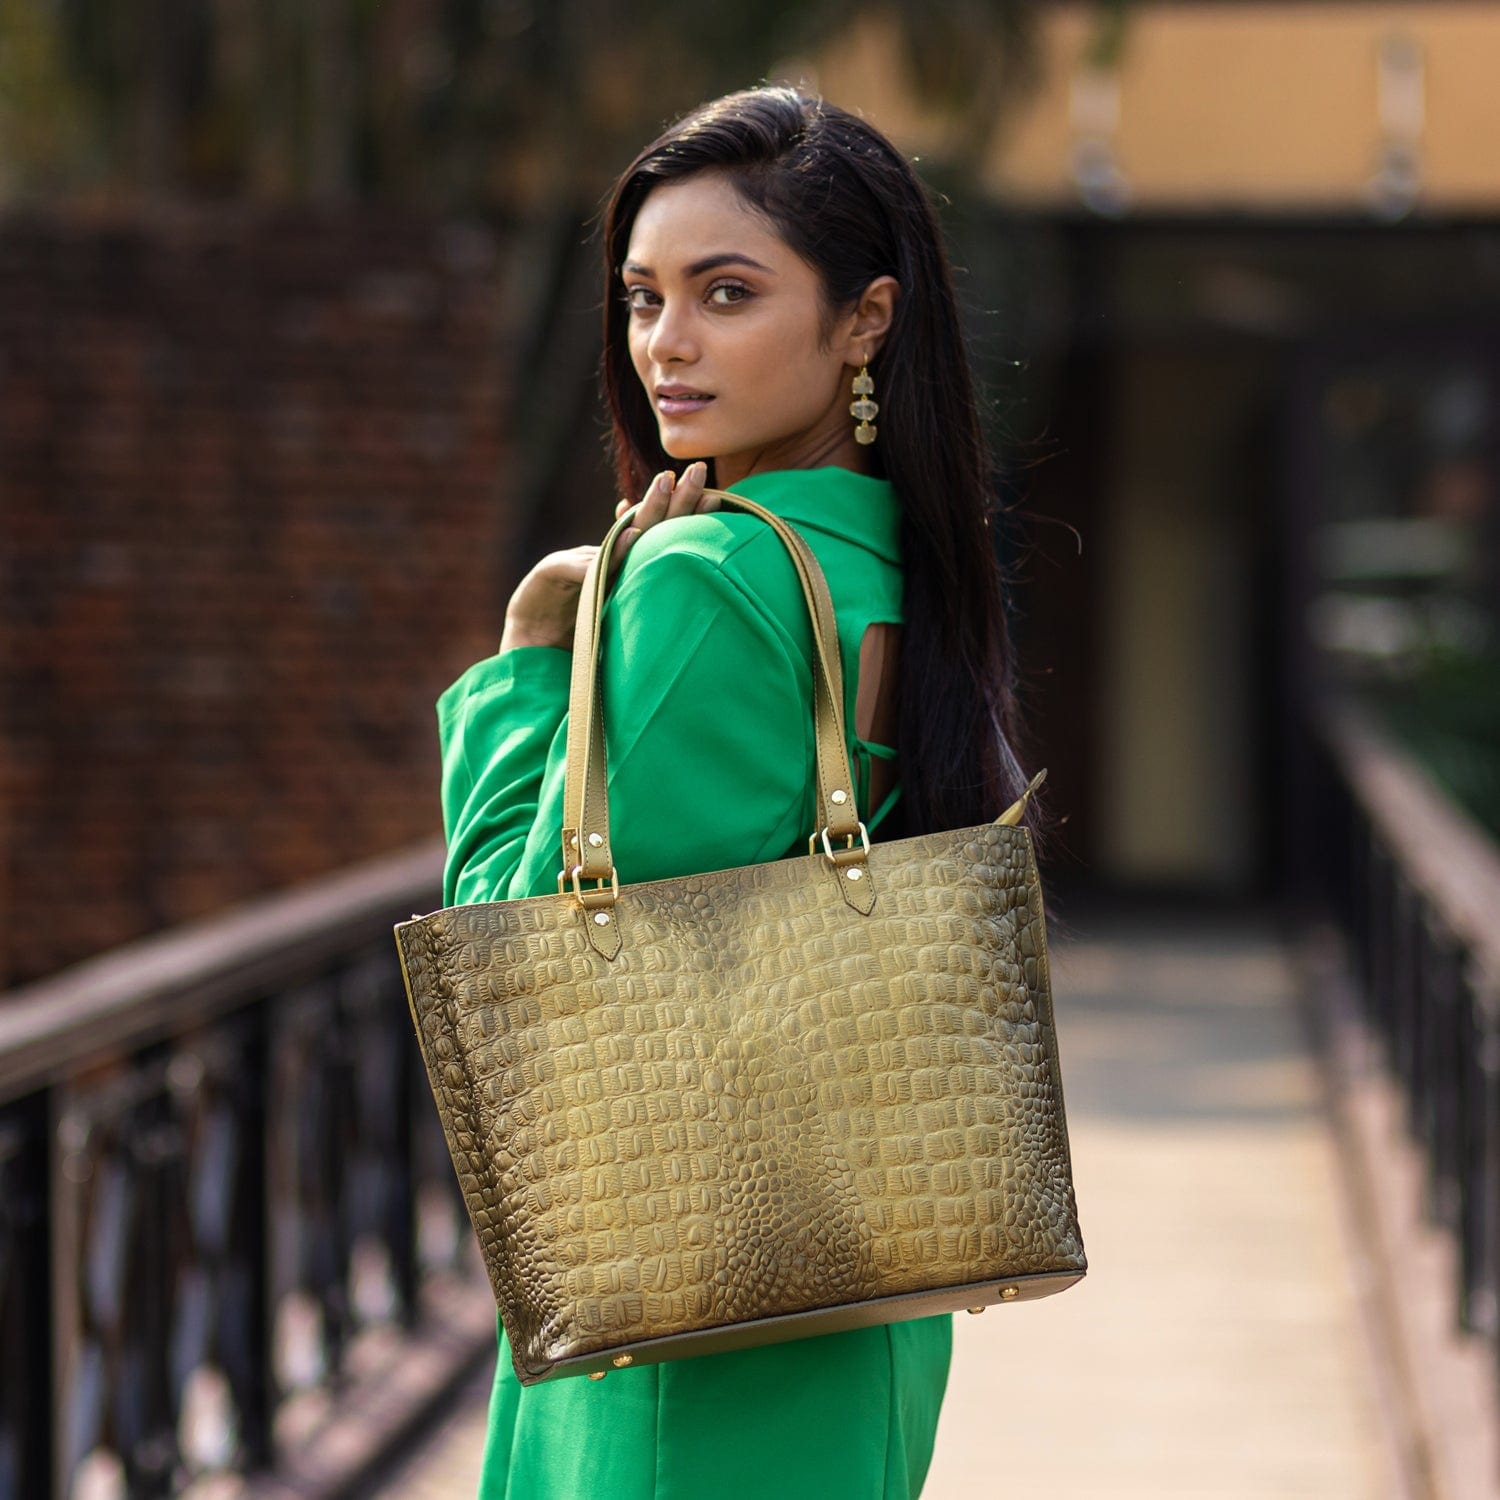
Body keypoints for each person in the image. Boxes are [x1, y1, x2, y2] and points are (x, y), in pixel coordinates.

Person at [436, 84, 1047, 1500]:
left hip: (681, 1326)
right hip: (855, 1291)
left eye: (725, 293)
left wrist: (535, 660)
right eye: (644, 297)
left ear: (865, 319)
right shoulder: (896, 559)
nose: (667, 344)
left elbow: (518, 970)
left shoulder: (712, 578)